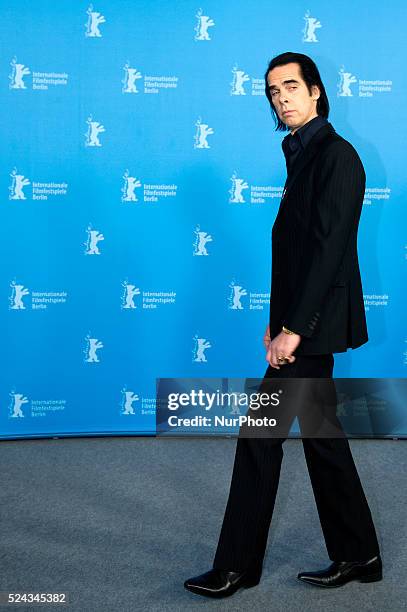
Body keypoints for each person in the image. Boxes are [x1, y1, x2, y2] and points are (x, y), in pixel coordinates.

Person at [184, 52, 382, 598]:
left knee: (259, 436)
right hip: (300, 324)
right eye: (272, 91)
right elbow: (292, 254)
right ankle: (359, 553)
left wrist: (294, 329)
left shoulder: (337, 156)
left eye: (291, 86)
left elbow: (327, 252)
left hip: (313, 325)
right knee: (322, 439)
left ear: (317, 91)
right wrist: (277, 325)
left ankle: (238, 566)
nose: (281, 98)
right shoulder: (302, 155)